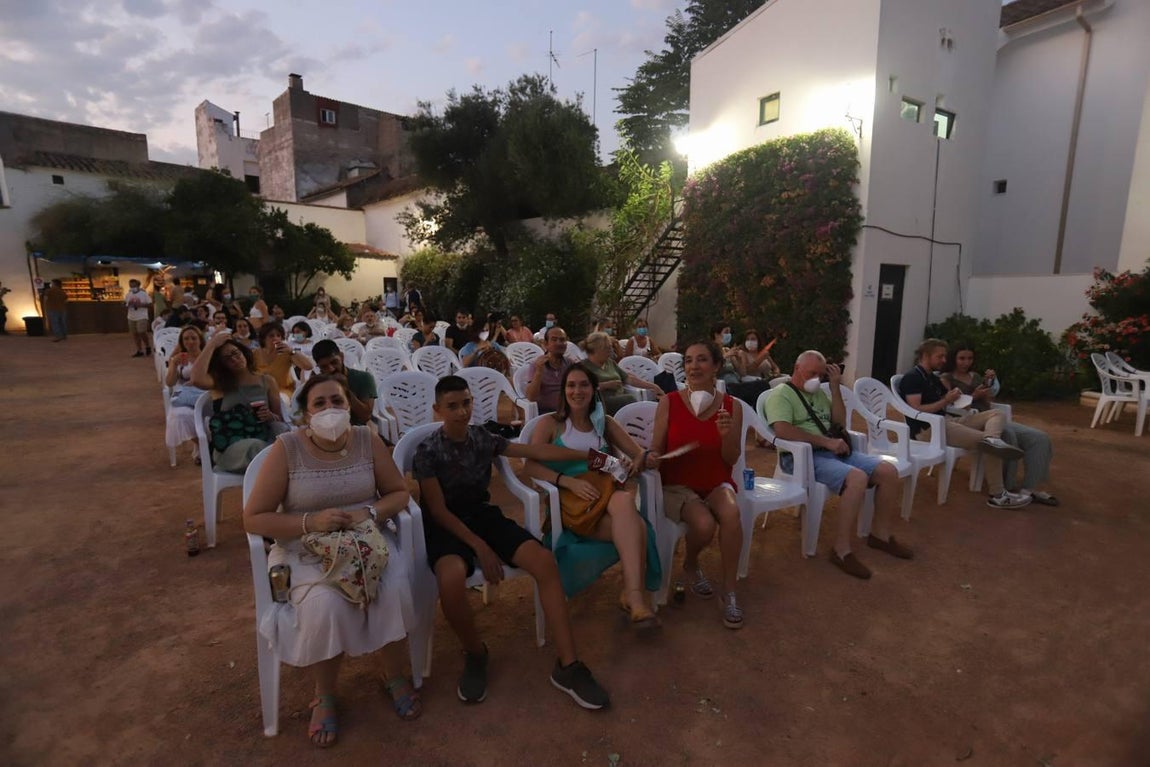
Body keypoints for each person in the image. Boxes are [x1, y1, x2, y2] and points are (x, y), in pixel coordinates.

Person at [413, 375, 611, 709]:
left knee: (544, 561)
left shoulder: (483, 438)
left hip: (483, 516)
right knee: (450, 579)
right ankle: (476, 653)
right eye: (452, 406)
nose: (461, 411)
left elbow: (533, 450)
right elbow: (438, 510)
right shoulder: (427, 452)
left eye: (466, 402)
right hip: (445, 527)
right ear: (437, 410)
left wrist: (592, 457)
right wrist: (480, 546)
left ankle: (568, 665)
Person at [244, 375, 419, 748]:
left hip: (364, 541)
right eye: (319, 404)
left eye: (336, 401)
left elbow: (399, 493)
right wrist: (311, 521)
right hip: (304, 547)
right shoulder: (286, 448)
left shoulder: (366, 439)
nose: (330, 410)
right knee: (326, 604)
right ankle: (324, 693)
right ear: (304, 414)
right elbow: (254, 518)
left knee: (391, 586)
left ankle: (393, 674)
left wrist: (369, 512)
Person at [522, 363, 662, 627]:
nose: (577, 391)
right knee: (639, 528)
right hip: (573, 505)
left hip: (607, 499)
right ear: (563, 391)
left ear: (594, 389)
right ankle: (634, 596)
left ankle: (633, 598)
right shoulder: (550, 424)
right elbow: (530, 465)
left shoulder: (605, 423)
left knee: (622, 499)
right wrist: (566, 482)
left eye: (584, 385)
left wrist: (643, 459)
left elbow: (637, 453)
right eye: (571, 385)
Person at [764, 350, 915, 579]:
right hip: (800, 457)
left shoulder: (817, 393)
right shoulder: (781, 395)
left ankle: (880, 535)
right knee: (857, 478)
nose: (816, 378)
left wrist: (834, 388)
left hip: (830, 451)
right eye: (811, 373)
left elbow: (839, 422)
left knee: (888, 471)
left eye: (820, 374)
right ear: (797, 368)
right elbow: (782, 430)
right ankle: (841, 550)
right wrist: (826, 442)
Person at [651, 340, 745, 629]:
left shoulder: (732, 407)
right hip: (677, 485)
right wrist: (652, 458)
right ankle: (691, 564)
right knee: (704, 525)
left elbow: (731, 458)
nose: (694, 366)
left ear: (716, 366)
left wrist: (726, 434)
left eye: (702, 360)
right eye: (689, 361)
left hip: (716, 480)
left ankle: (729, 592)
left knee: (731, 514)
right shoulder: (669, 401)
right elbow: (655, 449)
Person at [898, 339, 1029, 509]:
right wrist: (946, 399)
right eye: (940, 356)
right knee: (987, 444)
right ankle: (998, 495)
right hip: (929, 429)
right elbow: (917, 410)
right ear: (925, 355)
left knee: (997, 414)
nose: (944, 360)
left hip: (946, 420)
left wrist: (965, 395)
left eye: (945, 356)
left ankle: (992, 439)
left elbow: (953, 404)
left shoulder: (931, 377)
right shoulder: (912, 378)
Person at [942, 344, 1058, 506]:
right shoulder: (946, 378)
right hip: (970, 421)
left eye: (970, 358)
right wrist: (974, 395)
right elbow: (950, 407)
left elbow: (988, 403)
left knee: (1039, 438)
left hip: (994, 419)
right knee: (1008, 436)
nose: (966, 362)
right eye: (962, 358)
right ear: (954, 358)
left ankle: (1030, 488)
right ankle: (1007, 487)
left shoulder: (975, 376)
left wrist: (988, 387)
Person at [190, 334, 288, 472]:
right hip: (232, 446)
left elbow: (279, 419)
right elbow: (196, 379)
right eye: (227, 358)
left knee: (283, 441)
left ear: (243, 352)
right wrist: (211, 344)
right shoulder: (221, 384)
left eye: (236, 353)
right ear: (222, 364)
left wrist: (269, 416)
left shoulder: (267, 381)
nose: (235, 359)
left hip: (264, 438)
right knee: (259, 448)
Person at [582, 332, 664, 414]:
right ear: (596, 350)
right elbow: (583, 389)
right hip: (600, 403)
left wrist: (653, 386)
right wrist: (606, 385)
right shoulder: (583, 367)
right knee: (629, 399)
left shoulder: (609, 363)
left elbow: (629, 379)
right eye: (606, 349)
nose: (610, 351)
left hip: (619, 397)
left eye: (610, 348)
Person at [165, 325, 209, 463]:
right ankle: (204, 445)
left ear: (200, 340)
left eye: (193, 338)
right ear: (182, 342)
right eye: (186, 339)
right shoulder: (181, 359)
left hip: (207, 393)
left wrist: (199, 382)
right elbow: (170, 383)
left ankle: (203, 448)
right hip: (186, 396)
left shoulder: (208, 357)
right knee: (181, 415)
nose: (190, 342)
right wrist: (173, 364)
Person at [311, 339, 377, 427]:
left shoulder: (363, 378)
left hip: (356, 428)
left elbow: (365, 416)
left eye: (334, 362)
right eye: (324, 366)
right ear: (319, 367)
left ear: (341, 357)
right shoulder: (318, 383)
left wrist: (344, 388)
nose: (331, 369)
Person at [254, 322, 314, 396]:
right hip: (260, 391)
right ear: (263, 338)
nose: (275, 338)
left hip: (283, 390)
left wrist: (292, 351)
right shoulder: (255, 353)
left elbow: (308, 366)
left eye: (278, 335)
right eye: (271, 336)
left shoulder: (286, 353)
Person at [525, 326, 573, 414]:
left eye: (562, 340)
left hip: (568, 412)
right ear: (546, 344)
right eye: (554, 340)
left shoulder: (570, 364)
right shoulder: (536, 365)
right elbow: (531, 397)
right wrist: (539, 371)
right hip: (545, 414)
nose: (559, 343)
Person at [125, 279, 153, 357]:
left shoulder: (144, 294)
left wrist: (141, 305)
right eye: (131, 286)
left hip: (142, 316)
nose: (132, 287)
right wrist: (127, 304)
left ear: (138, 286)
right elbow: (125, 304)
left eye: (134, 286)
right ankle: (139, 350)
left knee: (141, 331)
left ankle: (147, 345)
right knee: (135, 334)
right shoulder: (128, 295)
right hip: (131, 316)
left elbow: (150, 304)